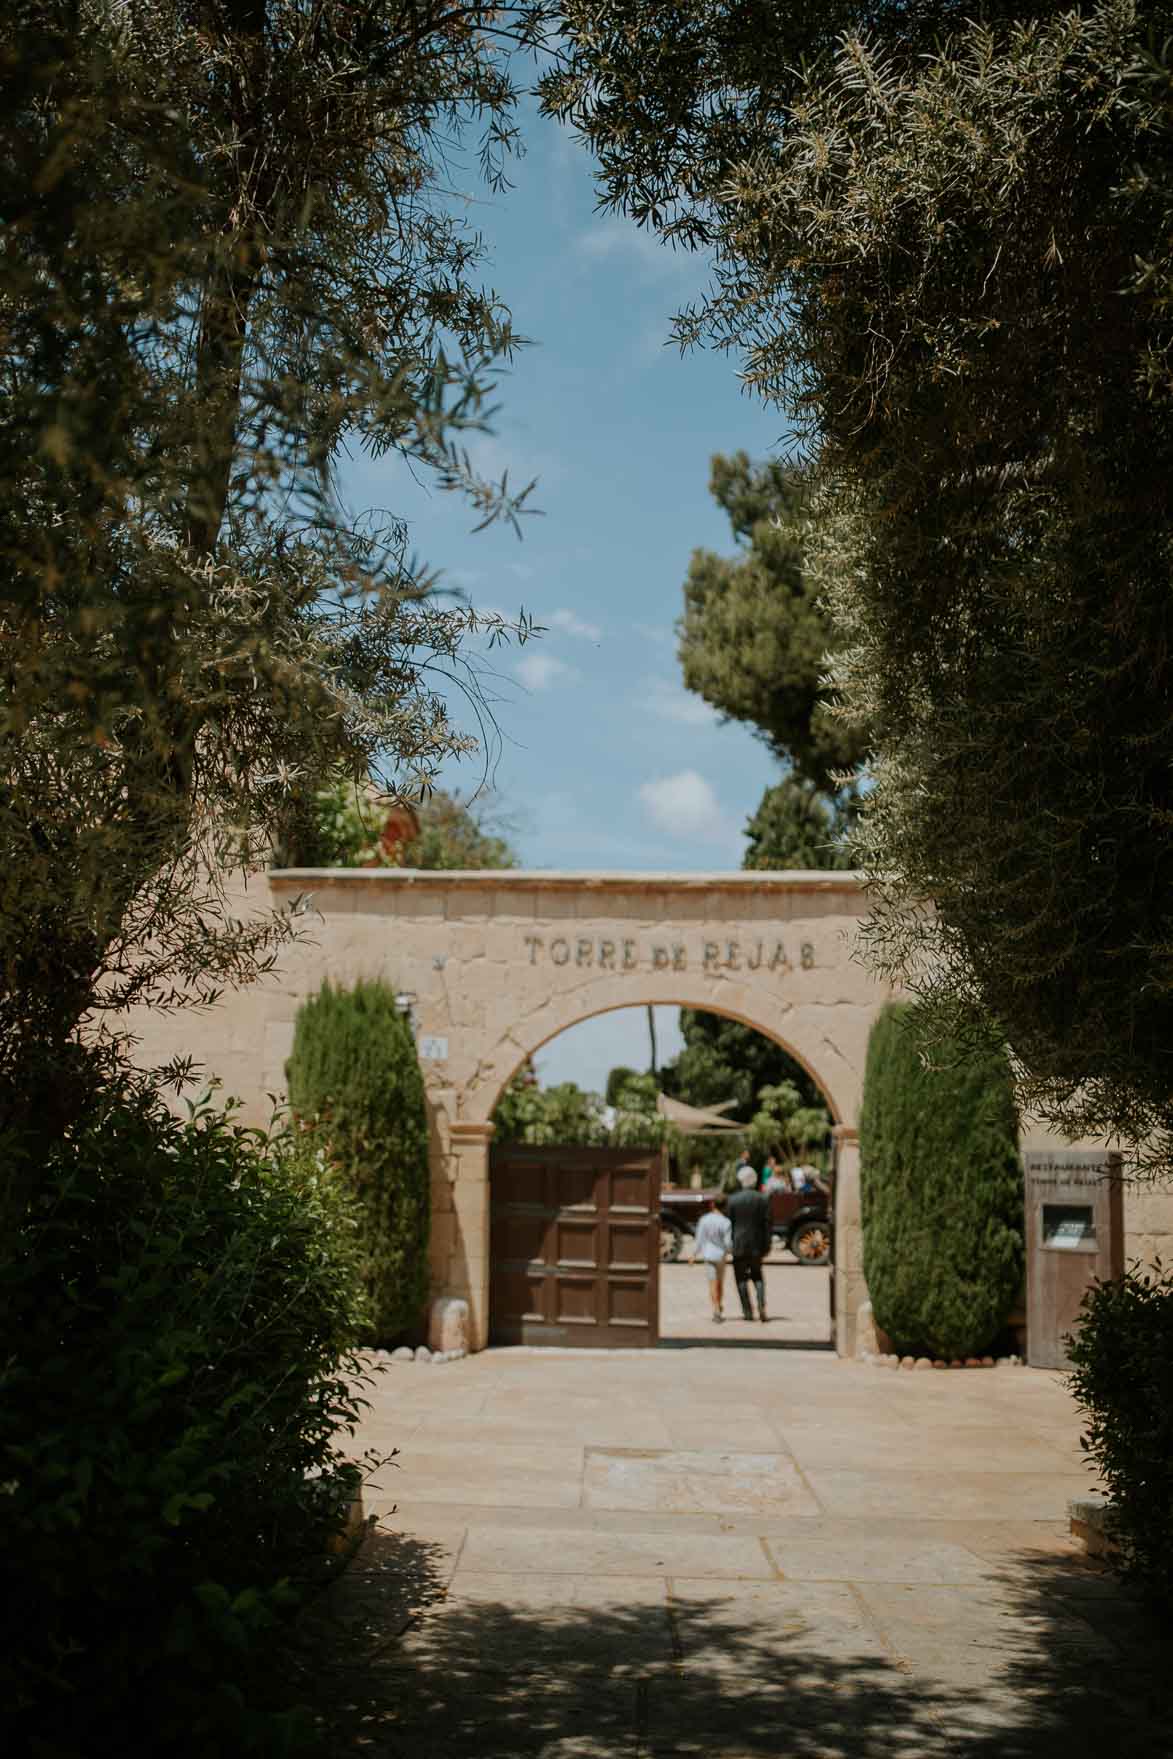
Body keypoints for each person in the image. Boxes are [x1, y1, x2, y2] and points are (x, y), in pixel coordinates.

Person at [725, 1164, 772, 1322]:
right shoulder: (762, 1199)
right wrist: (767, 1245)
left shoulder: (732, 1200)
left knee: (741, 1278)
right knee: (758, 1276)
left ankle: (747, 1311)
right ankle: (761, 1306)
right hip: (756, 1245)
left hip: (738, 1244)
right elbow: (767, 1224)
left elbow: (728, 1224)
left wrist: (728, 1244)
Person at [691, 1195, 732, 1323]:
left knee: (712, 1284)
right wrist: (731, 1252)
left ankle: (716, 1309)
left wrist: (694, 1254)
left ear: (712, 1205)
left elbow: (699, 1239)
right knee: (720, 1283)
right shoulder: (726, 1222)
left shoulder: (704, 1220)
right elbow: (728, 1242)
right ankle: (719, 1304)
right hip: (721, 1256)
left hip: (708, 1255)